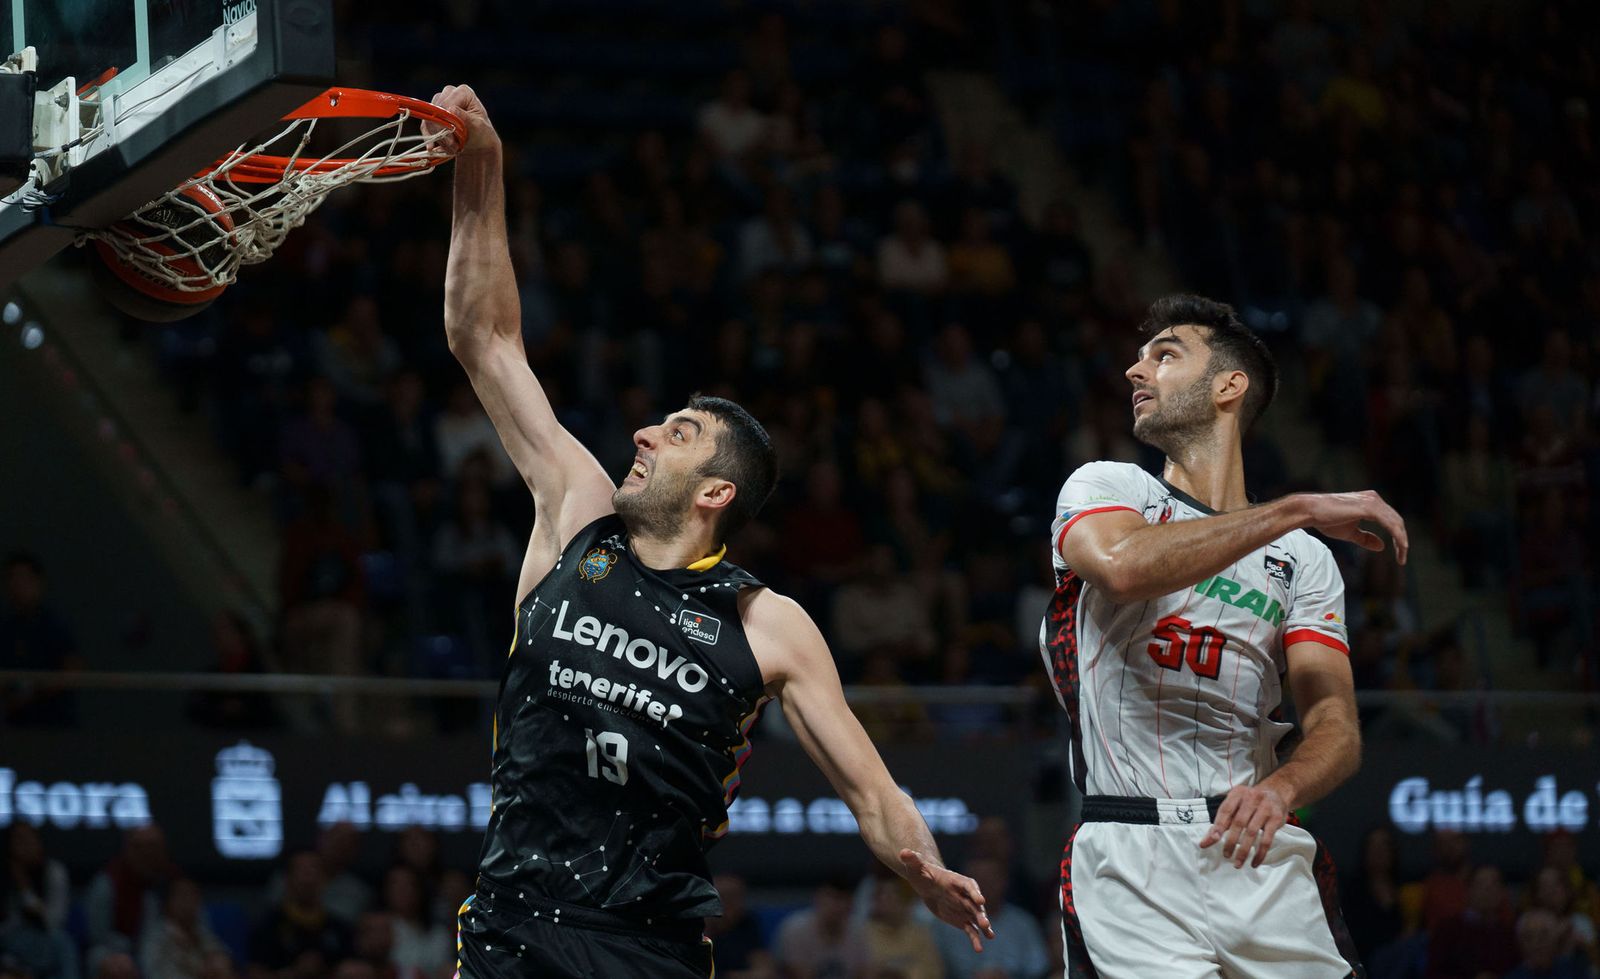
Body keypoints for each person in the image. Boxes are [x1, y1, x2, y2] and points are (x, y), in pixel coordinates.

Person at [428, 83, 992, 979]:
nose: (645, 435)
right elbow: (483, 335)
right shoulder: (578, 514)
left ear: (717, 490)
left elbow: (872, 790)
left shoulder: (767, 622)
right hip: (513, 927)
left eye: (677, 433)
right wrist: (481, 163)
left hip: (649, 949)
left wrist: (921, 864)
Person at [1042, 295, 1408, 977]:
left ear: (1228, 386)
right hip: (1131, 853)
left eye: (1165, 354)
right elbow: (1121, 568)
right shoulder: (1109, 487)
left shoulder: (1303, 560)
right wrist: (1298, 507)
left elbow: (1335, 726)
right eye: (1139, 357)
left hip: (1257, 846)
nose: (1135, 370)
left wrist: (1282, 789)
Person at [774, 876, 869, 979]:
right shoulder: (795, 929)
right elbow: (798, 974)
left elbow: (866, 972)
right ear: (818, 899)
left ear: (851, 905)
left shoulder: (858, 931)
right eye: (832, 898)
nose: (837, 906)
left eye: (843, 900)